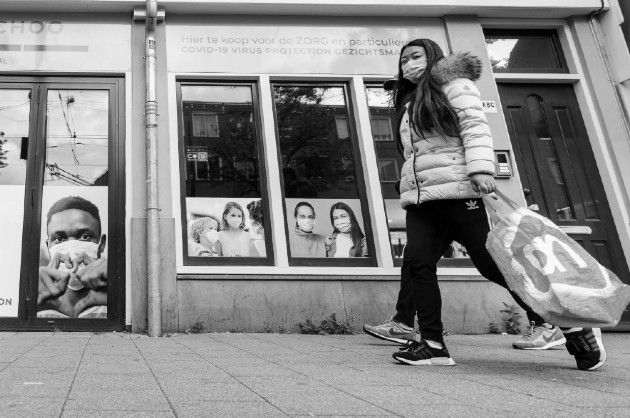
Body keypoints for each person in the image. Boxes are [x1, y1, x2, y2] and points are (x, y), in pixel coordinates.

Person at [386, 39, 604, 371]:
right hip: (423, 198)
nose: (408, 64)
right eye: (403, 60)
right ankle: (432, 345)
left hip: (460, 193)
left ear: (432, 58)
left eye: (415, 57)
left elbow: (474, 128)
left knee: (495, 267)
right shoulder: (411, 102)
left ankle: (568, 324)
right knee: (417, 264)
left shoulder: (454, 86)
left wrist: (481, 169)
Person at [37, 196, 108, 319]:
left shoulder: (115, 303)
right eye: (59, 239)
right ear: (49, 247)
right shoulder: (39, 308)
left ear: (101, 244)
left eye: (84, 236)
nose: (72, 251)